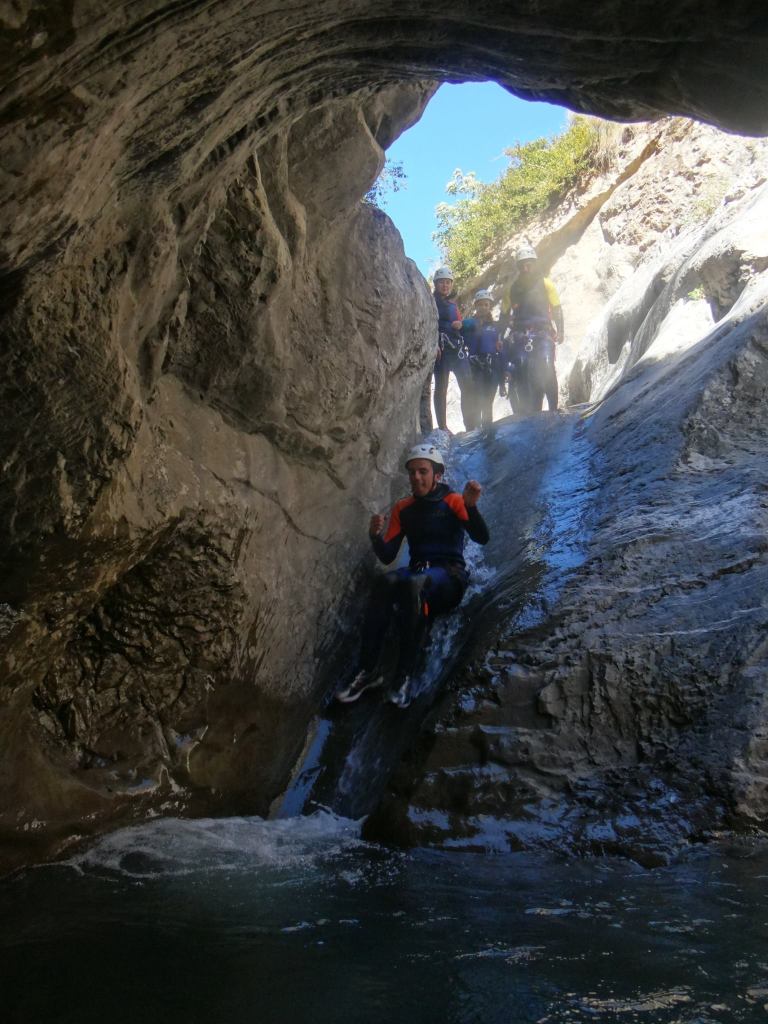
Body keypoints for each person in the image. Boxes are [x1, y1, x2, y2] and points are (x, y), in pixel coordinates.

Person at [336, 443, 489, 709]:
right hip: (418, 572)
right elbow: (388, 556)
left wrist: (471, 508)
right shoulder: (403, 508)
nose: (416, 477)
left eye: (423, 471)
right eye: (412, 472)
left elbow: (482, 537)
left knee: (414, 584)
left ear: (437, 475)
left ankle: (404, 677)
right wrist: (375, 536)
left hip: (449, 577)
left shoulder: (453, 500)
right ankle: (367, 671)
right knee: (385, 582)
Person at [501, 245, 564, 411]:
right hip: (520, 335)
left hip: (543, 332)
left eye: (529, 264)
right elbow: (504, 315)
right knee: (523, 369)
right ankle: (532, 412)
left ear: (535, 263)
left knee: (547, 366)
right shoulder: (512, 289)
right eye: (522, 265)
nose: (526, 268)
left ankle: (553, 409)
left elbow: (556, 308)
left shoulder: (546, 284)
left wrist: (561, 330)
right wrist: (499, 338)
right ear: (518, 267)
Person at [432, 266, 470, 432]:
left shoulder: (452, 305)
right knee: (441, 387)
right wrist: (433, 345)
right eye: (442, 282)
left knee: (467, 385)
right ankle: (443, 427)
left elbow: (460, 324)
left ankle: (471, 424)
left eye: (448, 282)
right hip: (442, 349)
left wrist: (461, 324)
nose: (445, 285)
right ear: (436, 284)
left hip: (457, 348)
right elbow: (429, 323)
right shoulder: (431, 301)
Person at [461, 289, 504, 429]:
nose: (483, 307)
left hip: (492, 367)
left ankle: (487, 430)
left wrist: (503, 375)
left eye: (486, 304)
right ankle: (476, 430)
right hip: (475, 366)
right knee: (478, 400)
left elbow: (500, 349)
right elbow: (459, 327)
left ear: (490, 306)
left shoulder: (495, 327)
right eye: (480, 304)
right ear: (476, 306)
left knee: (488, 402)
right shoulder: (469, 324)